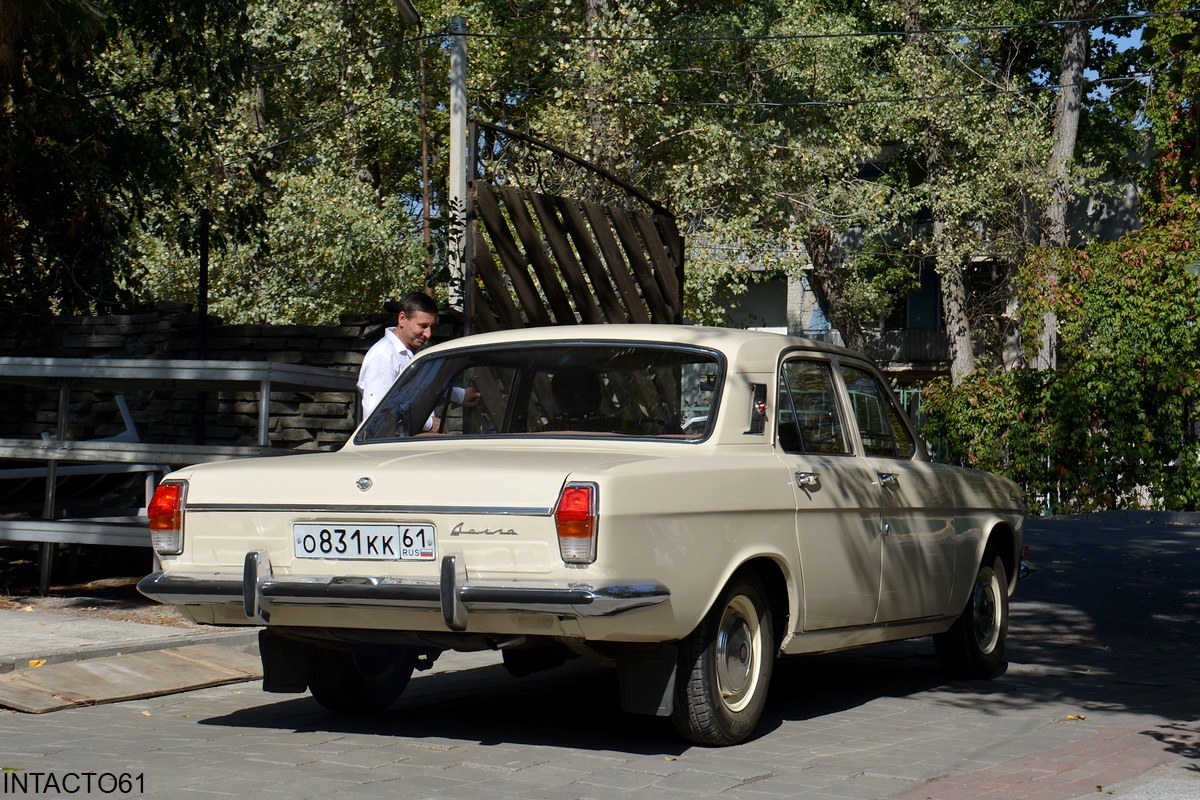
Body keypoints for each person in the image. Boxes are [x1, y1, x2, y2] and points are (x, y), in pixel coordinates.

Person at [357, 292, 441, 418]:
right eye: (423, 326)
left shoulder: (413, 352)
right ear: (402, 319)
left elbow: (425, 387)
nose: (428, 334)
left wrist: (461, 395)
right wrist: (428, 425)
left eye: (432, 327)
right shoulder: (383, 356)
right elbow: (377, 412)